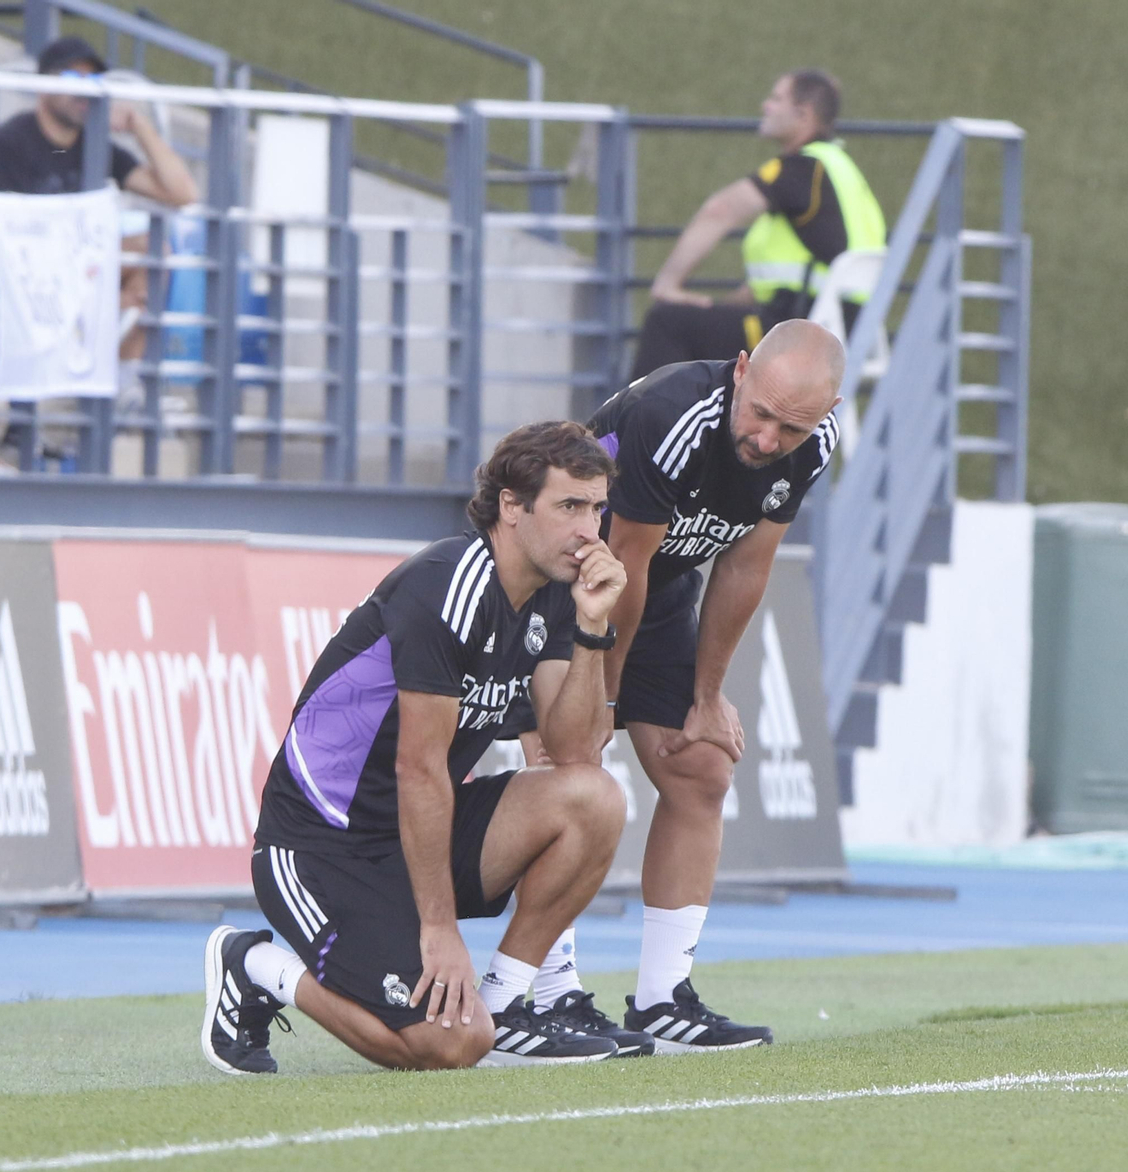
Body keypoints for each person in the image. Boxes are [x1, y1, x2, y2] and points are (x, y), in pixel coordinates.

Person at [200, 421, 641, 1073]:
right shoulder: (448, 587)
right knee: (446, 1045)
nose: (590, 528)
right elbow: (418, 768)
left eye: (598, 508)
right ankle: (254, 963)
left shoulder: (554, 590)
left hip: (412, 837)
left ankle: (504, 1009)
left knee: (594, 799)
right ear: (512, 507)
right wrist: (440, 930)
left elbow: (575, 749)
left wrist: (594, 625)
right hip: (322, 847)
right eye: (570, 506)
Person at [519, 319, 845, 1053]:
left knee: (701, 767)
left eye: (790, 428)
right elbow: (617, 565)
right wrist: (600, 697)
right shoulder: (676, 414)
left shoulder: (813, 447)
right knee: (568, 768)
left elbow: (744, 567)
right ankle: (543, 994)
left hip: (656, 584)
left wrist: (707, 694)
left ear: (824, 417)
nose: (765, 439)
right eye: (759, 412)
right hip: (560, 580)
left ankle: (663, 999)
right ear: (739, 370)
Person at [629, 69, 886, 380]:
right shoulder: (844, 172)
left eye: (777, 99)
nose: (766, 105)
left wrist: (667, 284)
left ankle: (627, 430)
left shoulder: (799, 169)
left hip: (798, 334)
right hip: (843, 329)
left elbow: (720, 210)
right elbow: (800, 269)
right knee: (704, 328)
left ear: (803, 114)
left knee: (667, 321)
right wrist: (723, 307)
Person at [0, 35, 197, 206]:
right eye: (74, 78)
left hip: (82, 253)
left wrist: (139, 126)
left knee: (148, 245)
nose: (85, 89)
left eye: (94, 79)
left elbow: (182, 194)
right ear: (43, 85)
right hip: (30, 252)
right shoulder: (9, 143)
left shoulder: (95, 146)